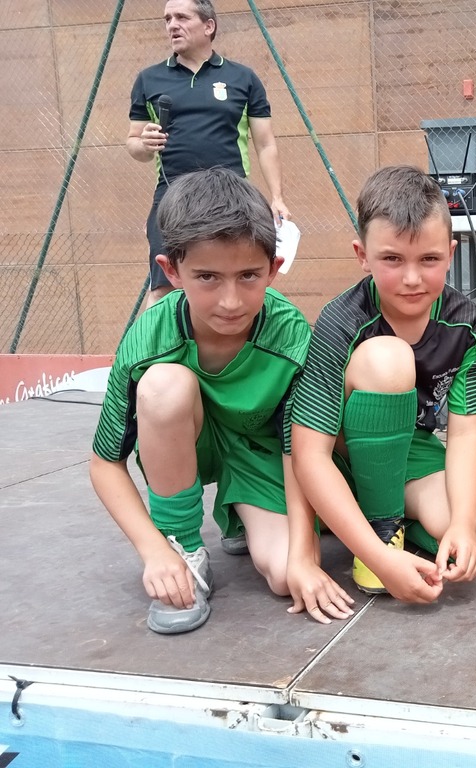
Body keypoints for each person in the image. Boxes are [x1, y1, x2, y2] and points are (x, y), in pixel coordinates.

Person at [90, 168, 352, 635]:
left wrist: (302, 557)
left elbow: (297, 449)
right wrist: (155, 550)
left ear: (274, 267)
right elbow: (105, 464)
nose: (231, 301)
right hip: (185, 440)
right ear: (171, 271)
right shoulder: (147, 338)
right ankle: (183, 545)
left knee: (284, 575)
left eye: (248, 275)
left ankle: (240, 516)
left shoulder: (290, 334)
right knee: (164, 386)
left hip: (259, 452)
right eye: (207, 277)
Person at [288, 165, 476, 606]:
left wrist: (462, 524)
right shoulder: (341, 320)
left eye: (429, 260)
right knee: (389, 360)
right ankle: (381, 531)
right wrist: (380, 560)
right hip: (342, 452)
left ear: (450, 253)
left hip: (409, 448)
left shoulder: (469, 324)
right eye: (392, 260)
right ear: (362, 255)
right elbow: (309, 454)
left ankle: (374, 517)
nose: (412, 278)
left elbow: (464, 432)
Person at [127, 0, 291, 308]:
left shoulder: (243, 78)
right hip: (172, 194)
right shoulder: (148, 79)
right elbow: (135, 144)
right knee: (164, 287)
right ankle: (153, 342)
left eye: (181, 17)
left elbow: (265, 143)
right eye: (167, 19)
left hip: (232, 196)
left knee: (239, 278)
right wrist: (144, 144)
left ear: (208, 25)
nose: (172, 25)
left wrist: (277, 197)